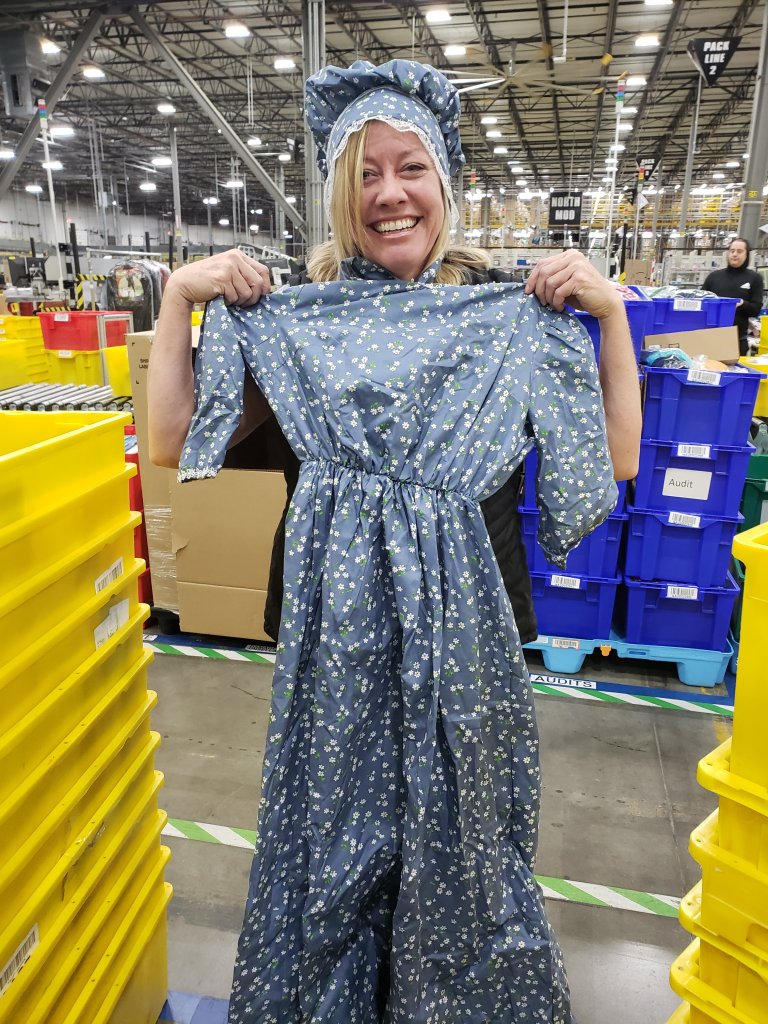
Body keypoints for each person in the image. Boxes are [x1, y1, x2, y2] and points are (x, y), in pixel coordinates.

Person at [149, 60, 640, 1023]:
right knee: (335, 842)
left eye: (410, 168)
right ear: (340, 196)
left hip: (468, 640)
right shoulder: (295, 318)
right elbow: (168, 440)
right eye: (364, 174)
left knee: (461, 841)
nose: (389, 193)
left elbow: (615, 457)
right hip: (334, 637)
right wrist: (178, 301)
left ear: (444, 182)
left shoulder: (508, 313)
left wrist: (611, 314)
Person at [703, 237, 765, 356]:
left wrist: (743, 304)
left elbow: (756, 309)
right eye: (732, 251)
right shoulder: (714, 277)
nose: (735, 254)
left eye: (739, 251)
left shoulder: (755, 278)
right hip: (710, 338)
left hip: (737, 340)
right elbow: (701, 302)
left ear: (747, 255)